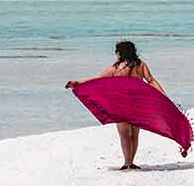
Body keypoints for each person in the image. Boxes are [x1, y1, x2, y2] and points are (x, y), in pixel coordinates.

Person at [65, 39, 163, 170]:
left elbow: (99, 79)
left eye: (116, 51)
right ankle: (131, 162)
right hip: (138, 103)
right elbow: (151, 80)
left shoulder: (117, 67)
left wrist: (79, 83)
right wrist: (163, 95)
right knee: (134, 134)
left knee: (124, 135)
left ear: (121, 52)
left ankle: (127, 163)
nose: (115, 53)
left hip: (121, 104)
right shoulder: (140, 65)